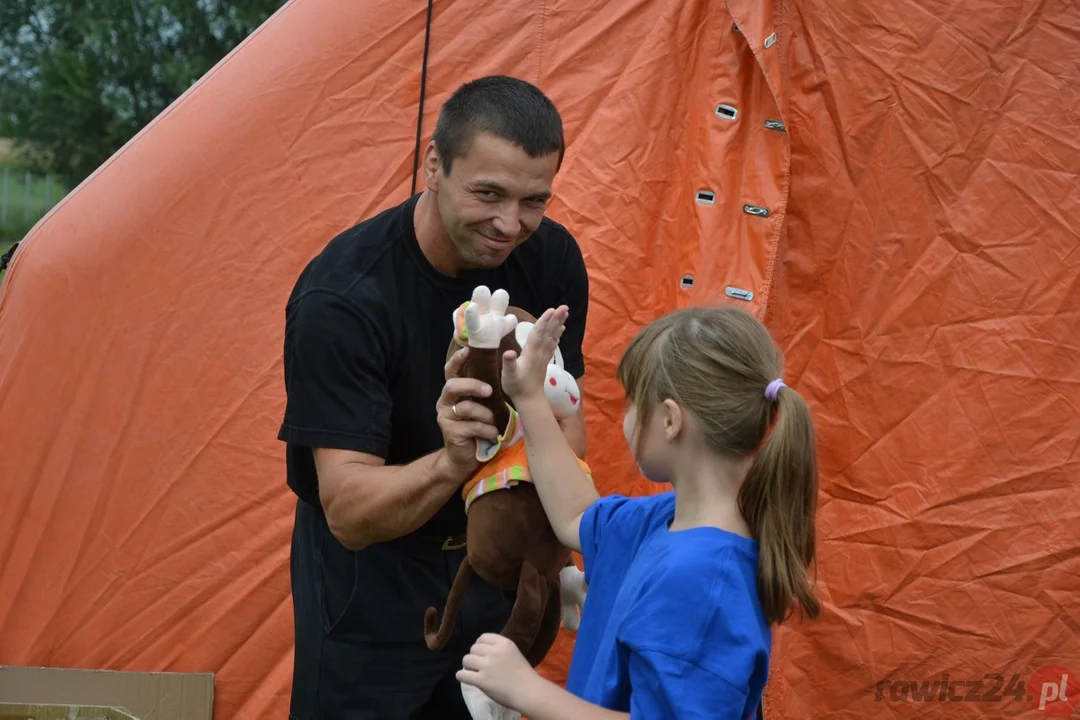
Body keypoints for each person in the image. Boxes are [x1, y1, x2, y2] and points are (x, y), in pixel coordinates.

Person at [277, 75, 590, 720]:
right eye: (488, 193)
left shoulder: (553, 257)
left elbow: (569, 422)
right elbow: (348, 512)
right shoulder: (344, 299)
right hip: (373, 576)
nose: (511, 224)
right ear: (433, 166)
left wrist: (542, 552)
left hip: (495, 555)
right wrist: (456, 457)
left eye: (534, 199)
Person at [455, 304, 821, 719]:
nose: (625, 418)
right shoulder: (666, 519)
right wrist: (529, 397)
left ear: (669, 420)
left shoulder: (701, 581)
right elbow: (576, 515)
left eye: (632, 402)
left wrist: (527, 691)